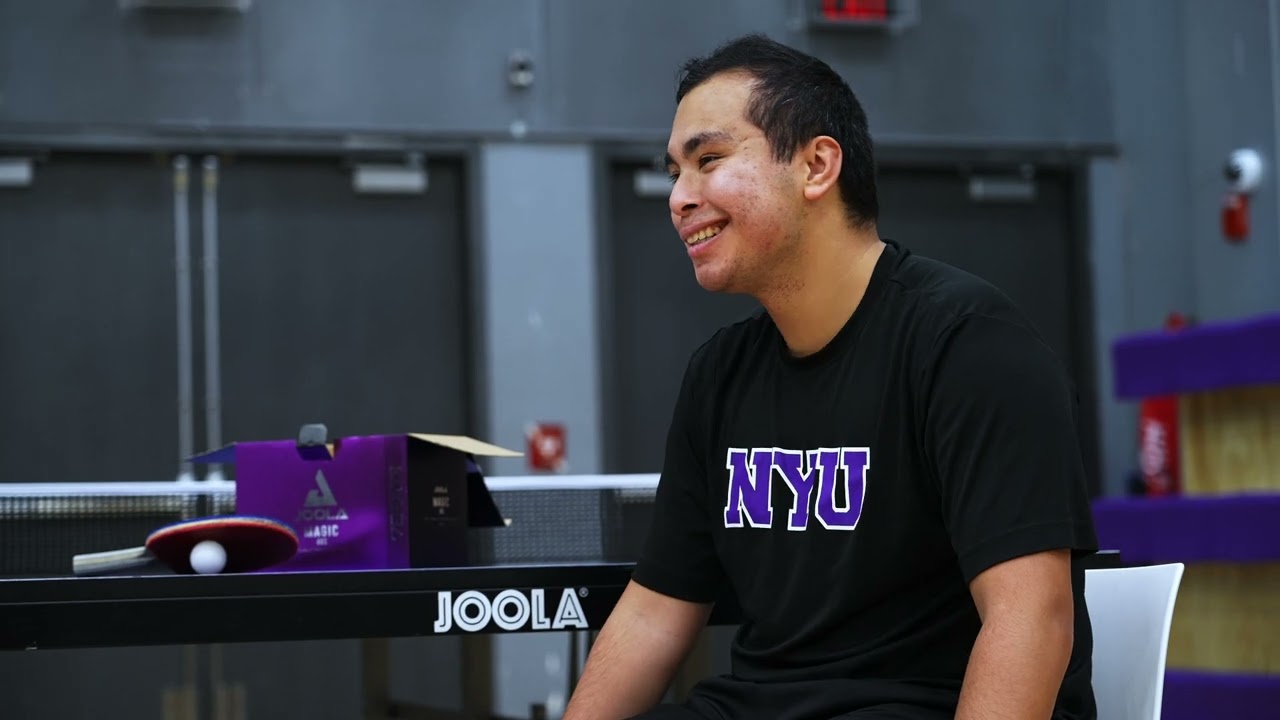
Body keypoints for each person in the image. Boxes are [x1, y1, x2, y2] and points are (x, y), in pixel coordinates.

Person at [564, 33, 1099, 720]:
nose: (679, 197)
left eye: (709, 160)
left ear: (816, 165)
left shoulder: (971, 345)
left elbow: (1032, 619)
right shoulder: (718, 375)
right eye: (674, 172)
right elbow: (653, 613)